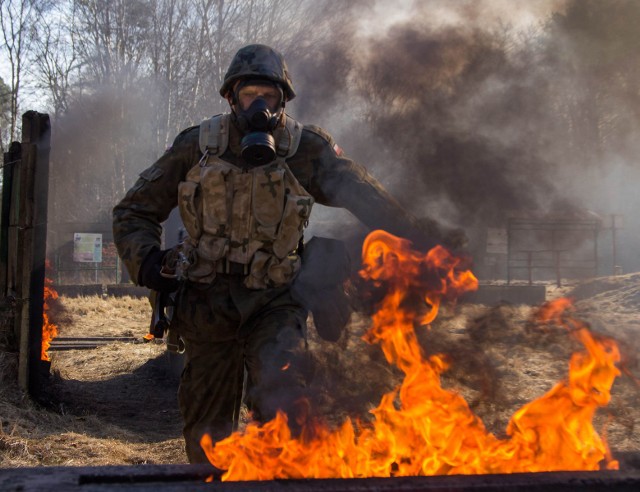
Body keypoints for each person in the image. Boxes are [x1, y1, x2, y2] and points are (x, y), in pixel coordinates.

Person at [113, 44, 462, 463]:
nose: (259, 105)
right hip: (207, 302)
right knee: (207, 433)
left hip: (275, 300)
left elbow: (369, 200)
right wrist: (148, 262)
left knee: (285, 407)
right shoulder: (198, 146)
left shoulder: (305, 149)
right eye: (249, 96)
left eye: (269, 96)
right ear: (231, 97)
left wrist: (418, 242)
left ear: (283, 100)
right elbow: (134, 210)